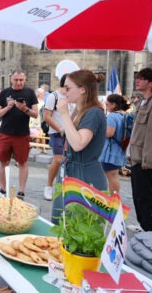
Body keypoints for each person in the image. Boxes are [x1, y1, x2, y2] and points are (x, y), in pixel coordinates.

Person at [51, 70, 107, 224]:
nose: (63, 91)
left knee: (78, 229)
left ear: (82, 89)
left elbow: (78, 144)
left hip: (84, 176)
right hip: (70, 172)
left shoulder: (94, 113)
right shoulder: (79, 111)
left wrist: (63, 115)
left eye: (68, 88)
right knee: (61, 224)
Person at [128, 68, 152, 233]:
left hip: (145, 161)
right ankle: (145, 225)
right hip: (137, 157)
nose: (137, 81)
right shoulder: (143, 101)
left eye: (142, 78)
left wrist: (149, 160)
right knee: (139, 196)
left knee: (148, 197)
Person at [0, 69, 38, 197]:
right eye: (16, 80)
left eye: (21, 80)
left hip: (22, 134)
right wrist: (7, 108)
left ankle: (21, 190)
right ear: (11, 79)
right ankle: (2, 188)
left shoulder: (30, 93)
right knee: (3, 162)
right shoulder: (4, 93)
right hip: (6, 133)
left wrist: (24, 109)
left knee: (23, 162)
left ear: (25, 79)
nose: (19, 82)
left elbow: (35, 114)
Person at [43, 74, 68, 201]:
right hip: (56, 132)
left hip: (71, 133)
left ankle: (65, 187)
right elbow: (46, 116)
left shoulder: (73, 96)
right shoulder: (54, 96)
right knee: (58, 160)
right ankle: (48, 186)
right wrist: (59, 129)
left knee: (68, 161)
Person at [99, 94, 130, 195]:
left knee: (112, 177)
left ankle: (114, 200)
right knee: (114, 176)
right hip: (118, 150)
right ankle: (115, 199)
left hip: (110, 152)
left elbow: (109, 133)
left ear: (113, 105)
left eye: (107, 104)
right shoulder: (123, 115)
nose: (106, 105)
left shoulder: (112, 116)